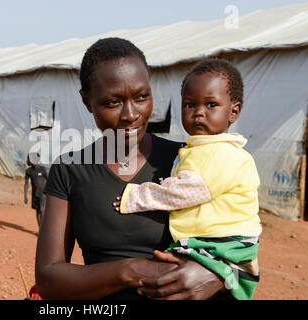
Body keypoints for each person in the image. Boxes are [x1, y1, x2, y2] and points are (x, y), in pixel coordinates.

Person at [35, 37, 229, 300]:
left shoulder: (190, 159)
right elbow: (49, 279)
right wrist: (131, 270)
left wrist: (217, 276)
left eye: (141, 97)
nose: (130, 115)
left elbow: (244, 242)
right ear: (86, 101)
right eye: (112, 102)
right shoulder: (70, 170)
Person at [114, 59, 261, 300]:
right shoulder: (200, 148)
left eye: (211, 104)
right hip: (217, 241)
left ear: (233, 111)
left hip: (223, 243)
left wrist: (137, 196)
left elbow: (186, 191)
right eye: (189, 104)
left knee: (170, 279)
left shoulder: (221, 153)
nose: (198, 112)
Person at [24, 153, 48, 228]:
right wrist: (25, 196)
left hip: (43, 194)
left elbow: (49, 181)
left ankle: (44, 230)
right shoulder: (29, 171)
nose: (27, 160)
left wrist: (49, 193)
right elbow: (26, 184)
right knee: (37, 211)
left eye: (29, 159)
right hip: (35, 194)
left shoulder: (43, 169)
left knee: (42, 209)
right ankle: (40, 230)